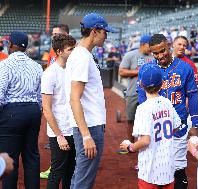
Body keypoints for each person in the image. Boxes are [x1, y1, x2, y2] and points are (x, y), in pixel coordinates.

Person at [137, 34, 198, 189]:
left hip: (178, 126)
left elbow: (192, 95)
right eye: (155, 53)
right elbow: (141, 96)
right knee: (155, 169)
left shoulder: (185, 67)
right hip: (157, 128)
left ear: (169, 45)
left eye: (162, 51)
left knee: (177, 168)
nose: (160, 56)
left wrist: (195, 121)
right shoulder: (147, 69)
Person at [65, 13, 117, 189]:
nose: (106, 35)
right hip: (89, 127)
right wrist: (86, 135)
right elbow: (74, 99)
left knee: (80, 177)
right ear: (94, 31)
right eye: (104, 32)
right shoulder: (81, 56)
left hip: (90, 125)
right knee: (83, 182)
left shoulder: (83, 54)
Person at [120, 64, 181, 189]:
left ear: (141, 84)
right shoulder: (167, 102)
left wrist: (130, 147)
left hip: (149, 170)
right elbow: (176, 127)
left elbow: (145, 141)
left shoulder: (143, 108)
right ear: (162, 84)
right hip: (167, 168)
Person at [0, 31, 43, 189]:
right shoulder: (37, 66)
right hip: (33, 111)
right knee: (32, 157)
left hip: (12, 112)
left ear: (10, 44)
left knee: (10, 159)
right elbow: (40, 97)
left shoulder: (4, 65)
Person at [41, 34, 77, 189]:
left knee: (71, 171)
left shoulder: (73, 70)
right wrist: (59, 136)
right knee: (57, 172)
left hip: (74, 129)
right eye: (70, 49)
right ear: (59, 51)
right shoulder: (49, 74)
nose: (74, 52)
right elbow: (47, 109)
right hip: (60, 131)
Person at [119, 35, 153, 143]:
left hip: (150, 94)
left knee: (148, 120)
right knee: (130, 119)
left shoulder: (153, 57)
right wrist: (139, 72)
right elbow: (122, 72)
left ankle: (146, 142)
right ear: (143, 44)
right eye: (150, 45)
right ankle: (131, 143)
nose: (151, 48)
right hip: (133, 92)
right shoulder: (131, 55)